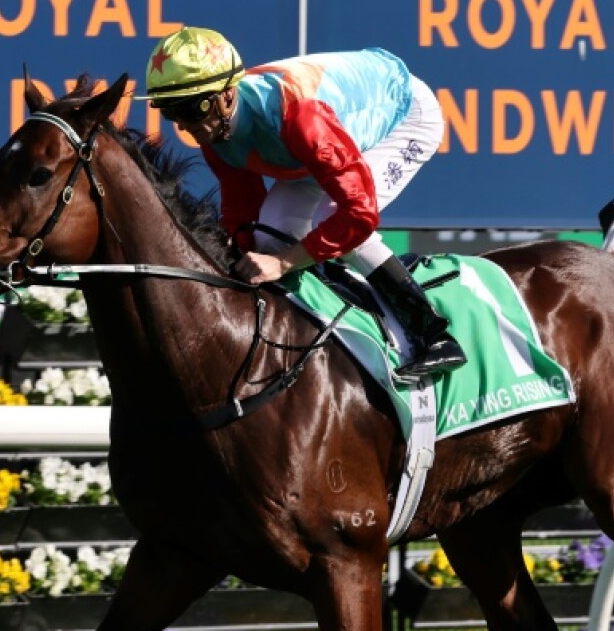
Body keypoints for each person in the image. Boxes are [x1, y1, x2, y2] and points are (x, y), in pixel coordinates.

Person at [137, 26, 465, 381]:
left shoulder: (301, 118)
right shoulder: (215, 133)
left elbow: (359, 214)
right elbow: (243, 209)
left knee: (333, 218)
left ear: (228, 94)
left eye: (193, 108)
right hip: (326, 138)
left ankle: (431, 332)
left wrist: (282, 262)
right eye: (173, 113)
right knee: (270, 231)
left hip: (403, 115)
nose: (187, 126)